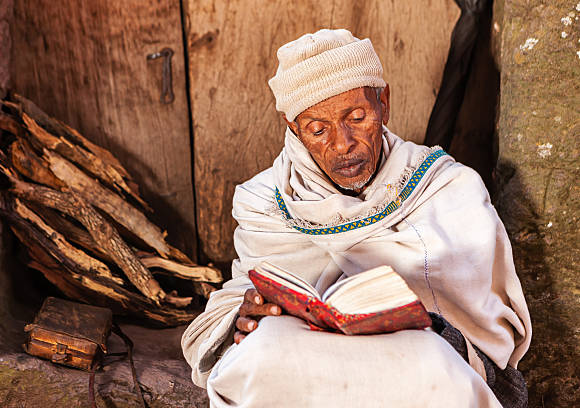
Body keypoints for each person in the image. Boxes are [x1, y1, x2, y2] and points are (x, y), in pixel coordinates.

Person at [181, 28, 531, 408]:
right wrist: (246, 313)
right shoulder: (263, 200)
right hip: (308, 345)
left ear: (384, 103)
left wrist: (431, 322)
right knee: (262, 353)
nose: (343, 143)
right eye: (318, 130)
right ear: (292, 127)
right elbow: (239, 297)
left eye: (358, 117)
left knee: (433, 366)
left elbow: (487, 325)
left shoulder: (450, 186)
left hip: (420, 347)